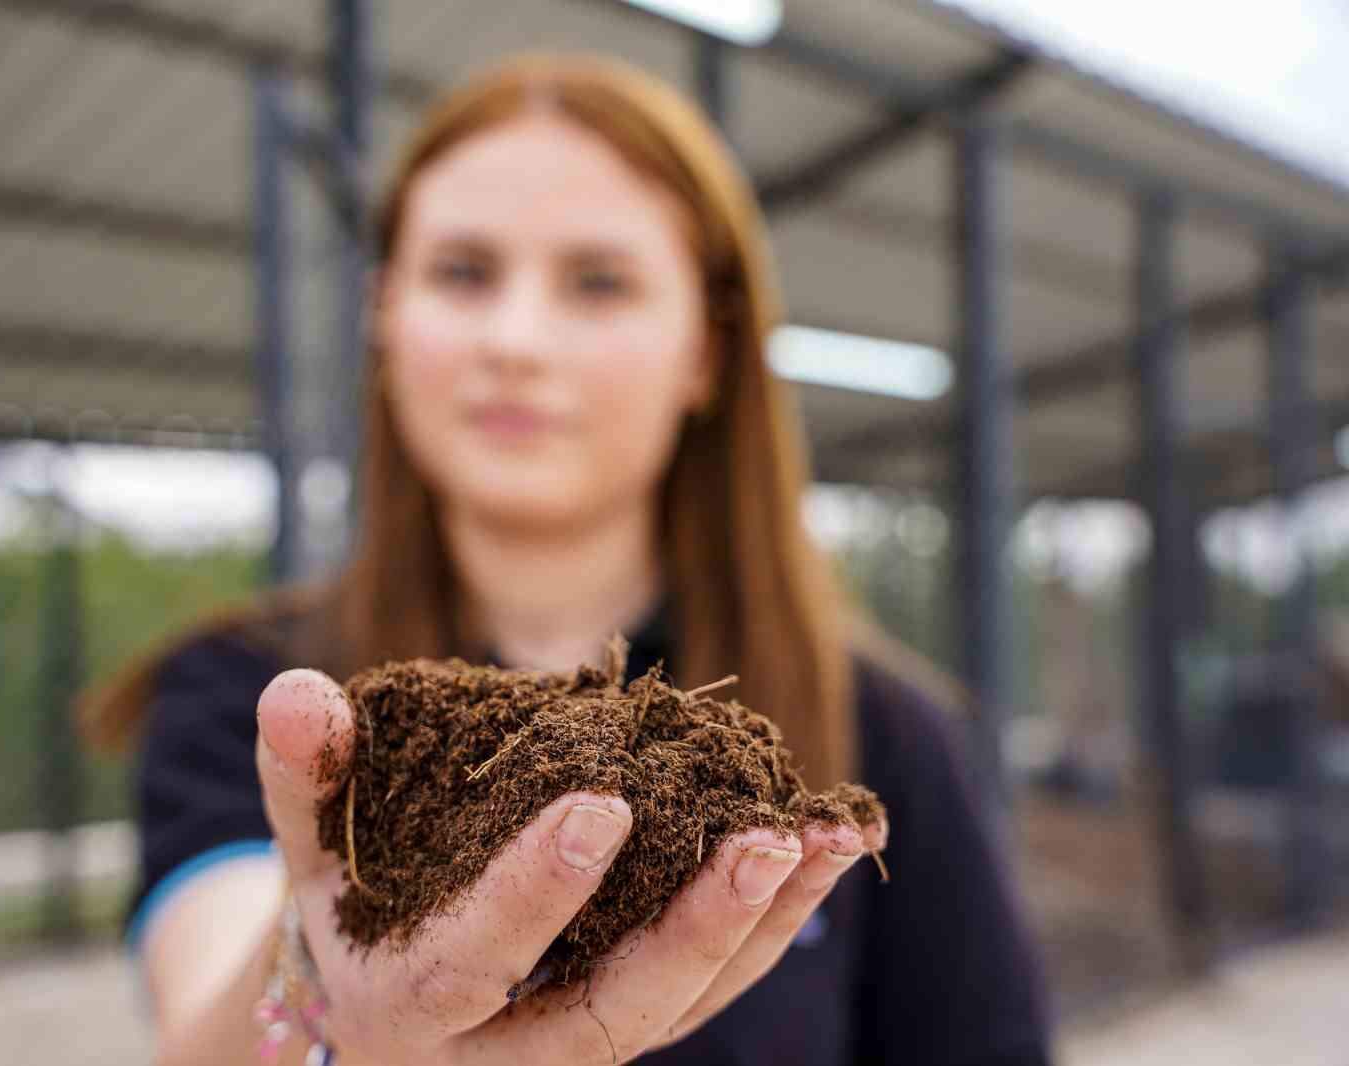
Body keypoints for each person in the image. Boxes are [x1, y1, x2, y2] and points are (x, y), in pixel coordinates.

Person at [82, 51, 1052, 1066]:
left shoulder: (875, 731)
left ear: (705, 352)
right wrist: (320, 991)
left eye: (598, 282)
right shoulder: (258, 696)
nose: (515, 338)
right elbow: (201, 1004)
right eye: (462, 272)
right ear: (385, 313)